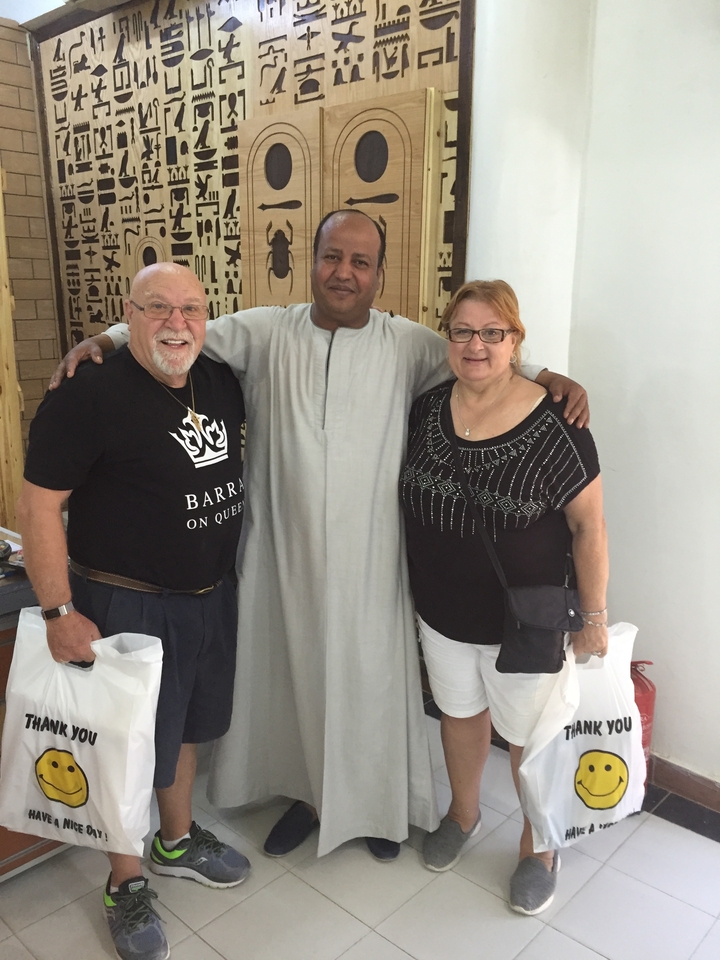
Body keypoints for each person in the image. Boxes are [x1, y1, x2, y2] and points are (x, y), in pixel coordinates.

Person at [51, 210, 590, 863]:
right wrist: (105, 340)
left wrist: (547, 378)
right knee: (301, 684)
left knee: (370, 686)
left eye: (361, 262)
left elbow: (482, 358)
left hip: (375, 564)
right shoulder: (266, 331)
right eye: (334, 256)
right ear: (313, 260)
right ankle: (310, 798)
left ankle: (375, 810)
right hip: (286, 559)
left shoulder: (410, 344)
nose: (345, 272)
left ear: (379, 274)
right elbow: (179, 329)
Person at [16, 263, 250, 960]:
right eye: (158, 309)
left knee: (184, 731)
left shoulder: (220, 378)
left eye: (190, 308)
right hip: (125, 601)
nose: (176, 323)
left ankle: (175, 841)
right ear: (129, 314)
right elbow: (38, 505)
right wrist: (58, 608)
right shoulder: (88, 394)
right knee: (123, 745)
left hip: (209, 597)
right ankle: (124, 881)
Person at [399, 279, 607, 914]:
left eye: (494, 332)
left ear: (516, 342)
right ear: (448, 338)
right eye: (463, 330)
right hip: (441, 613)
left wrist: (594, 616)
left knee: (528, 736)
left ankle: (538, 843)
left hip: (525, 621)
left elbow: (588, 527)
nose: (476, 344)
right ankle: (462, 816)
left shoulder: (557, 424)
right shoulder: (428, 408)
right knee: (460, 716)